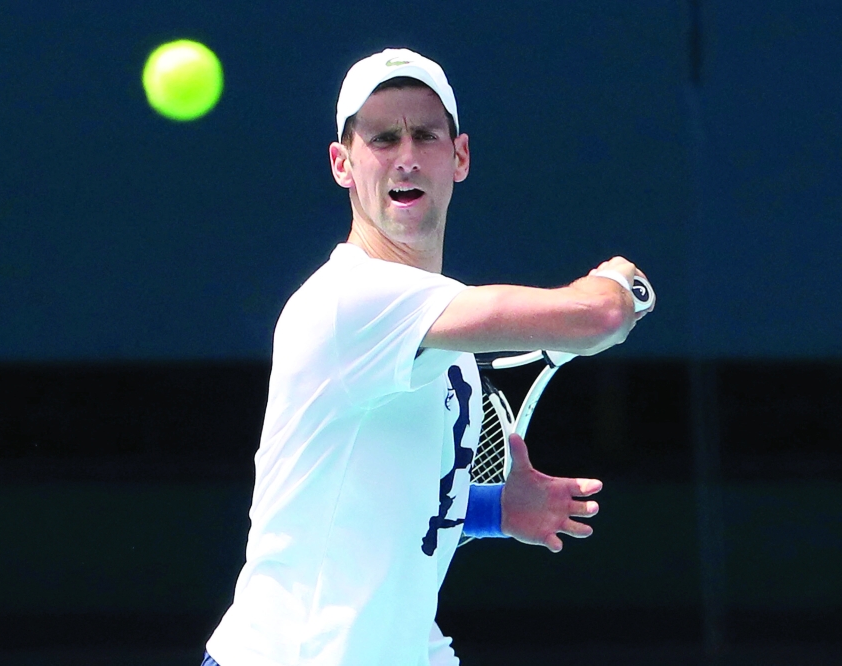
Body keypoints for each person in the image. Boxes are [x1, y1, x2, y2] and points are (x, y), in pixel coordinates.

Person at [203, 48, 652, 666]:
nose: (406, 156)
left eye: (425, 135)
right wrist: (621, 288)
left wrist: (495, 510)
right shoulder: (348, 301)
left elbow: (392, 503)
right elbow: (597, 319)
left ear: (459, 156)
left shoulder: (445, 341)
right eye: (383, 138)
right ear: (343, 164)